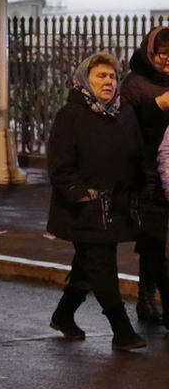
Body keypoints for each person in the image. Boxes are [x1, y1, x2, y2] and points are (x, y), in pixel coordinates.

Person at [46, 53, 146, 351]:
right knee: (101, 264)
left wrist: (140, 187)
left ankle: (64, 315)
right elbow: (59, 163)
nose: (108, 82)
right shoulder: (71, 114)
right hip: (84, 206)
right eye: (101, 76)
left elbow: (137, 154)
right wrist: (77, 191)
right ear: (85, 81)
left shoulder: (123, 112)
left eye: (113, 76)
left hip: (116, 206)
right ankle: (122, 330)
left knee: (88, 264)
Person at [119, 27, 169, 324]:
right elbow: (123, 123)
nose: (167, 60)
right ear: (151, 53)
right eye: (163, 54)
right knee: (153, 238)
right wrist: (156, 106)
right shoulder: (134, 83)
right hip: (147, 171)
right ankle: (146, 296)